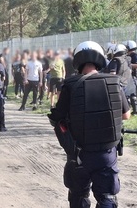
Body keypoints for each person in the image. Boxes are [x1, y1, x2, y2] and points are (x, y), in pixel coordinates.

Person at [48, 41, 130, 208]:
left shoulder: (70, 85)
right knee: (107, 198)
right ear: (100, 59)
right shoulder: (114, 82)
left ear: (78, 61)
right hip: (106, 155)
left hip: (79, 155)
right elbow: (126, 115)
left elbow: (57, 117)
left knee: (78, 197)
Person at [123, 40, 137, 115]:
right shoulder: (127, 55)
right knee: (127, 95)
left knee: (133, 95)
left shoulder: (134, 55)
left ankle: (135, 112)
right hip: (128, 77)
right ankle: (128, 110)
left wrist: (128, 65)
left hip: (133, 77)